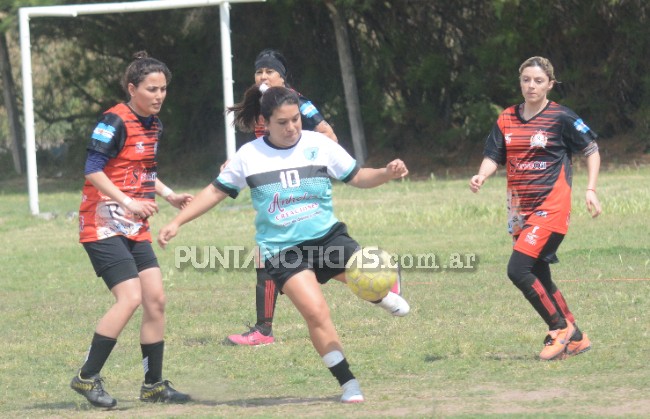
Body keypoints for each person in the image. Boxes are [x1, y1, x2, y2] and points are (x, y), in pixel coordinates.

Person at [158, 85, 410, 403]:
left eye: (295, 120)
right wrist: (177, 222)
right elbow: (214, 192)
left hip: (327, 238)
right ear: (265, 121)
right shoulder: (248, 156)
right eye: (283, 122)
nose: (291, 128)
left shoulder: (319, 144)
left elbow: (358, 176)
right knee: (316, 312)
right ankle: (348, 383)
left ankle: (381, 295)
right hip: (282, 250)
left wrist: (387, 172)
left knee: (373, 279)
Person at [70, 51, 192, 408]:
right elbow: (93, 170)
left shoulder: (154, 124)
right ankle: (86, 377)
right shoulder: (114, 120)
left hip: (133, 224)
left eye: (163, 89)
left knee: (156, 299)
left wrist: (168, 195)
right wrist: (127, 201)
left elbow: (144, 170)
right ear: (132, 88)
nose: (159, 96)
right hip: (101, 224)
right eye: (151, 89)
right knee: (131, 297)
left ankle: (153, 385)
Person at [469, 56, 602, 361]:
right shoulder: (506, 119)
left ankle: (559, 329)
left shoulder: (562, 117)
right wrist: (481, 175)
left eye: (539, 81)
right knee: (538, 272)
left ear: (550, 84)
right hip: (519, 210)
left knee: (518, 269)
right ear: (520, 82)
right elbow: (494, 154)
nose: (531, 85)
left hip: (551, 207)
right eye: (526, 80)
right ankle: (577, 337)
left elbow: (591, 150)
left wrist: (591, 189)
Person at [224, 49, 337, 346]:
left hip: (299, 189)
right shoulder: (261, 106)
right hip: (275, 189)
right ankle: (263, 329)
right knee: (271, 255)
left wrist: (309, 164)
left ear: (282, 77)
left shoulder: (298, 102)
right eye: (258, 72)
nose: (262, 76)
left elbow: (328, 134)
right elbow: (262, 147)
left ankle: (378, 280)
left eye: (269, 72)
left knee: (287, 254)